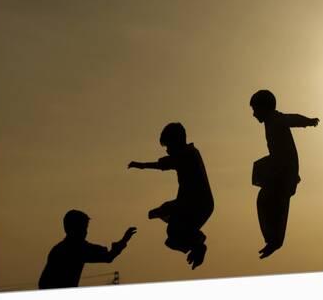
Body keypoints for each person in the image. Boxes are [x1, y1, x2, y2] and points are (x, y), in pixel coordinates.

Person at [128, 122, 214, 269]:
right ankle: (196, 244)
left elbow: (163, 164)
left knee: (173, 229)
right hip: (194, 204)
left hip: (196, 204)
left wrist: (142, 165)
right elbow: (166, 163)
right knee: (173, 234)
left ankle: (197, 243)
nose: (167, 151)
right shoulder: (188, 153)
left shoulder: (187, 154)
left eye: (168, 147)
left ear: (177, 142)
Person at [250, 90, 319, 259]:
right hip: (279, 166)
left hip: (284, 169)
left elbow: (291, 118)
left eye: (255, 110)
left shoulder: (275, 119)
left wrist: (308, 122)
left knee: (275, 201)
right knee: (265, 200)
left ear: (264, 108)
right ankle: (273, 239)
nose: (253, 114)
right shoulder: (271, 120)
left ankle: (275, 239)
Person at [38, 210, 136, 289]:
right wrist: (124, 241)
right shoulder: (76, 248)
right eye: (83, 228)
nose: (85, 232)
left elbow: (42, 283)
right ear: (74, 229)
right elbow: (108, 256)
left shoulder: (59, 249)